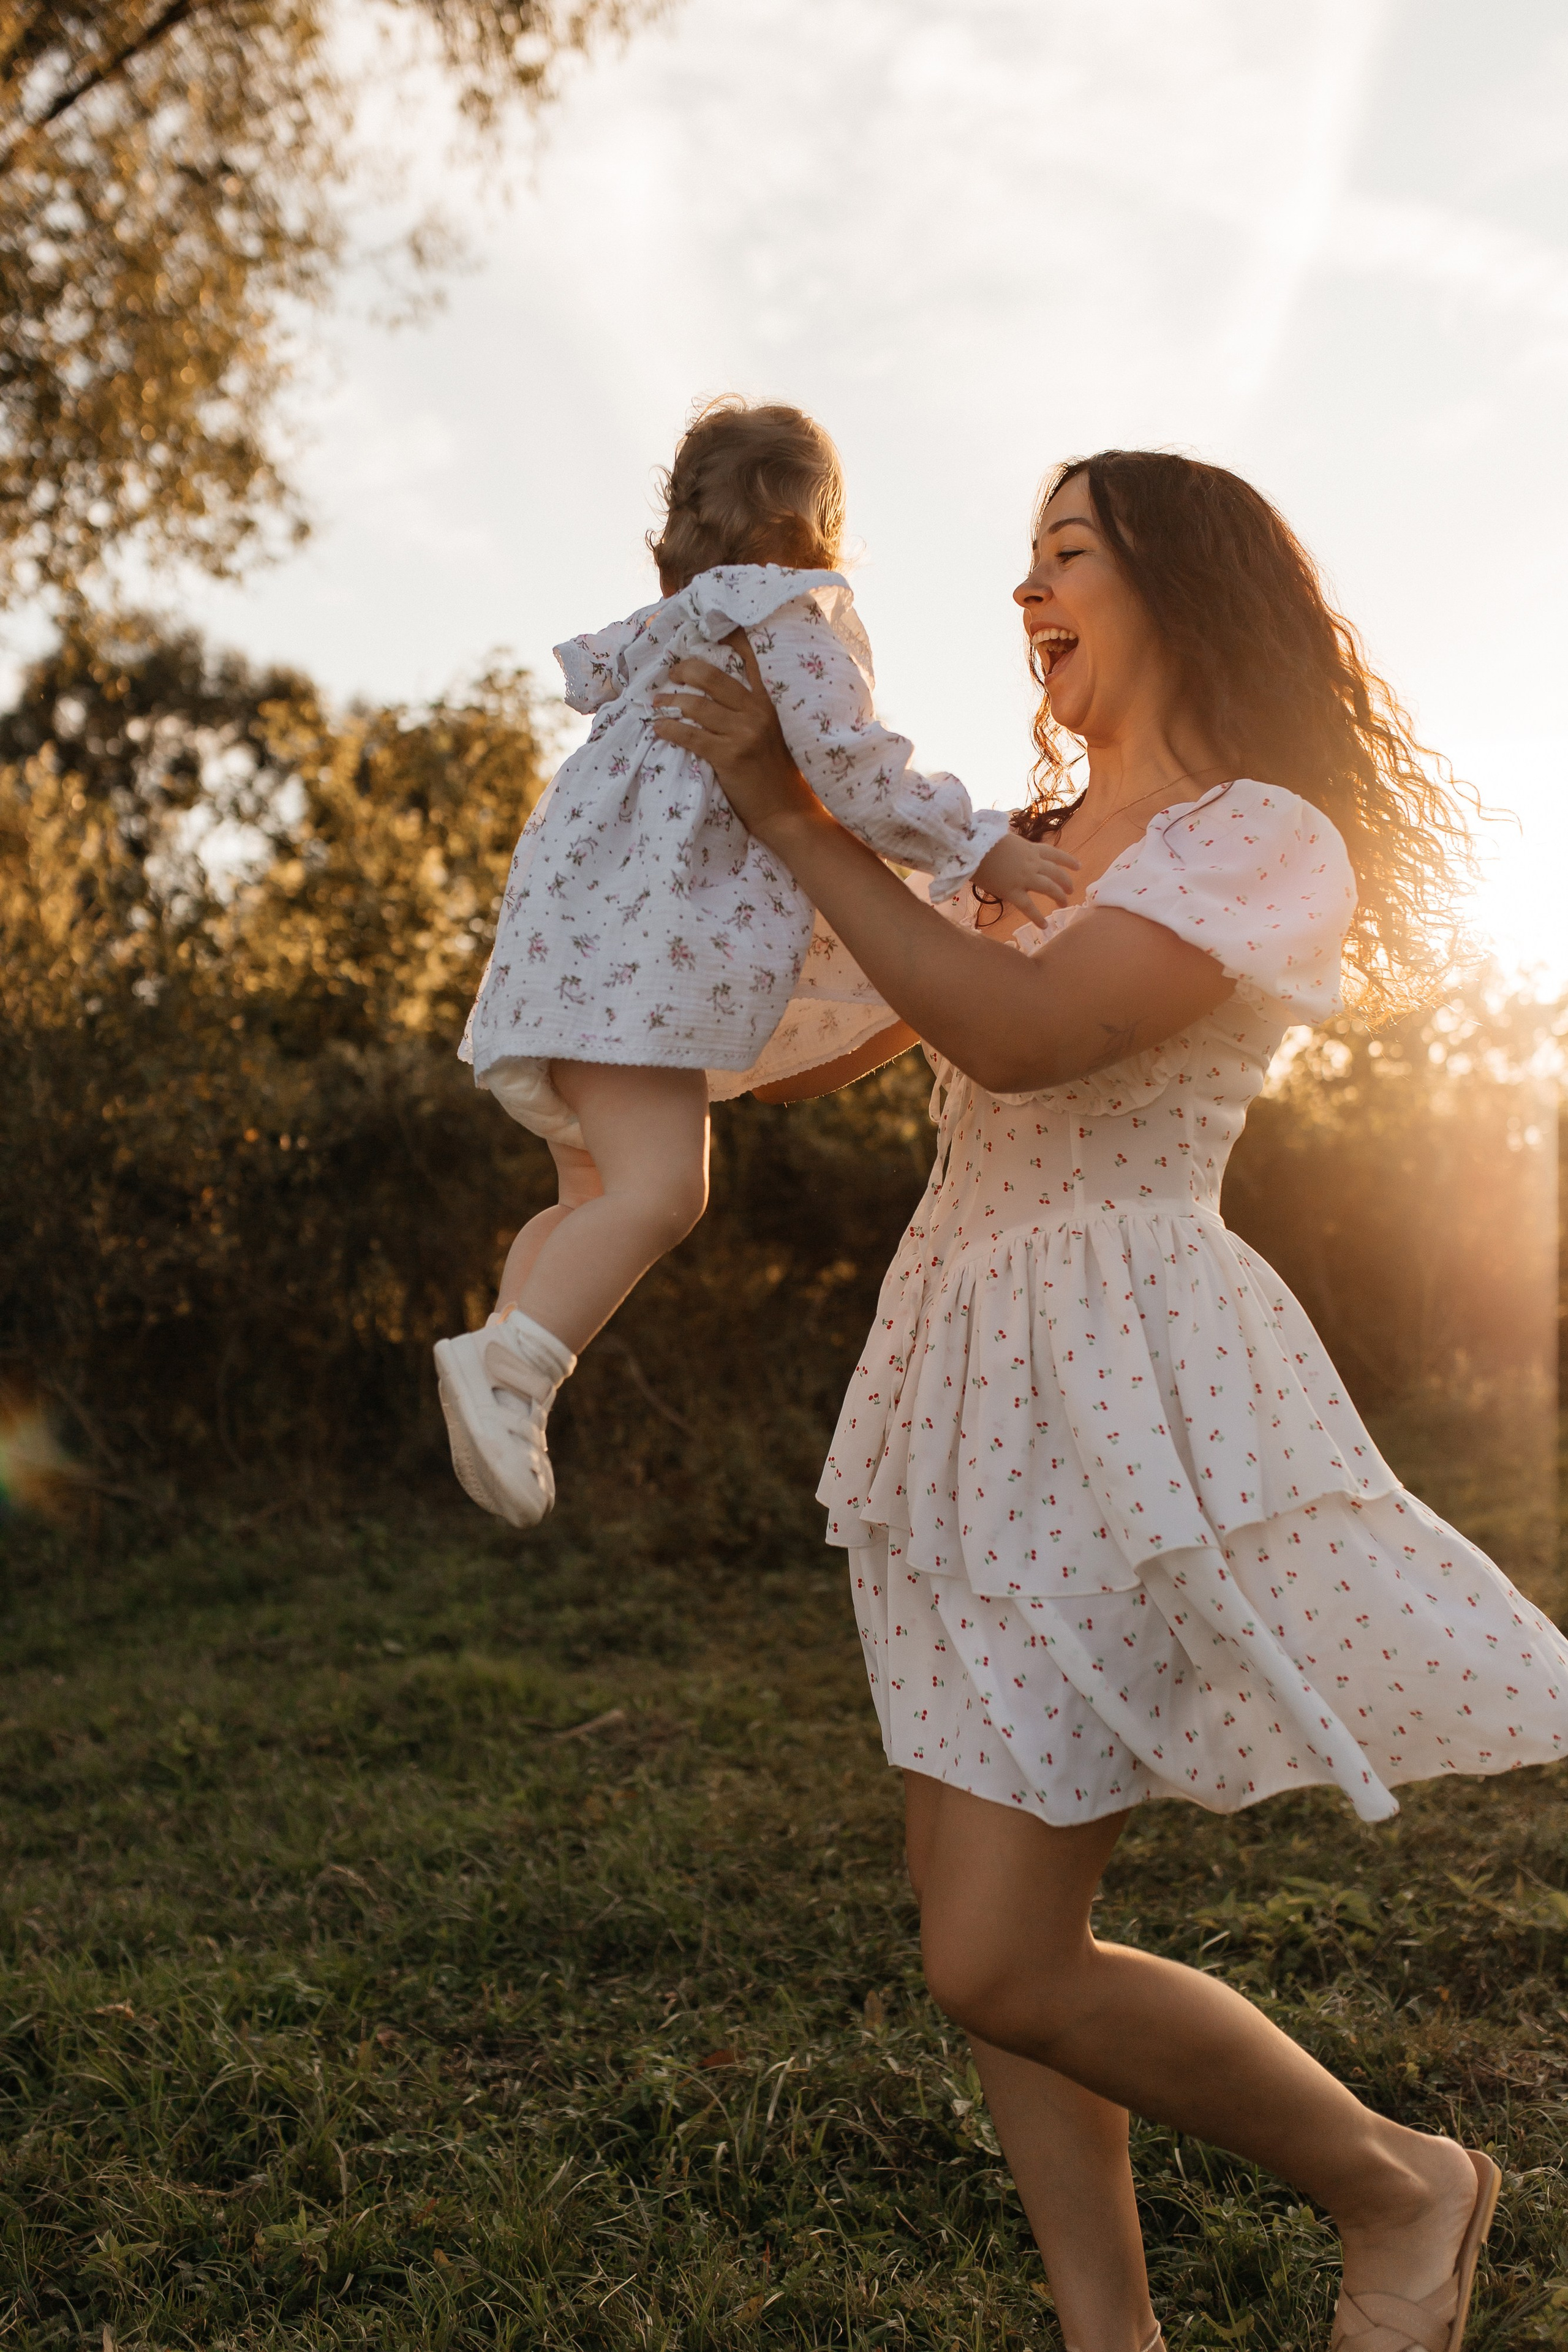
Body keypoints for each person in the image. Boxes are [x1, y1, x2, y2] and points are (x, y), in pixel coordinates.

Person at [649, 448, 1568, 2352]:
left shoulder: (1262, 837)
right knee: (985, 1927)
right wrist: (703, 845)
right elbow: (810, 1053)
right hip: (956, 1371)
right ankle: (1109, 2337)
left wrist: (791, 805)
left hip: (1128, 1366)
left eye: (1067, 551)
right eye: (1023, 558)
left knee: (999, 1954)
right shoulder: (1029, 843)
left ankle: (1405, 2189)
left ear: (1181, 583)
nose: (1024, 591)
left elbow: (1023, 1039)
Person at [436, 396, 1063, 1529]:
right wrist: (984, 846)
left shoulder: (661, 632)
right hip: (641, 974)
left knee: (588, 1190)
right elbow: (858, 770)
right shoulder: (790, 616)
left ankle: (499, 1359)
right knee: (666, 1190)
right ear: (814, 515)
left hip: (561, 966)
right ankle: (516, 1369)